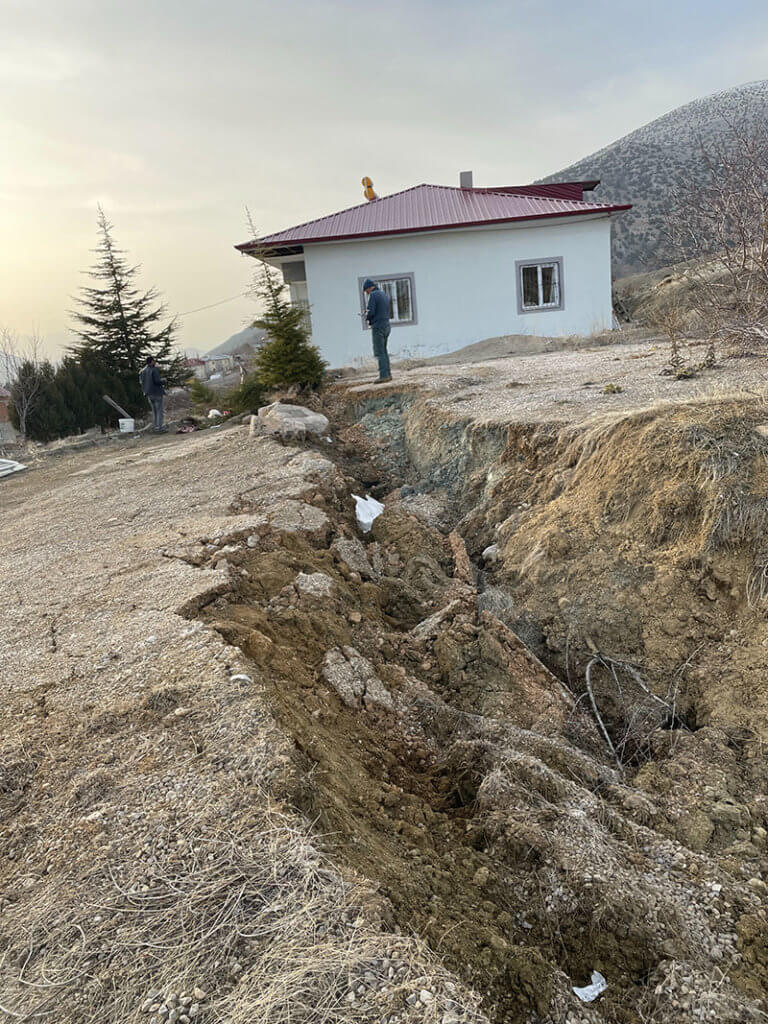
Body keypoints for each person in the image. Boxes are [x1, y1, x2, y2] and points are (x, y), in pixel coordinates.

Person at [362, 278, 392, 383]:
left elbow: (371, 312)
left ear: (370, 288)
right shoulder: (383, 294)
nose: (366, 293)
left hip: (378, 326)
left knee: (379, 352)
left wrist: (367, 316)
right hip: (387, 326)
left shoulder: (373, 295)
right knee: (384, 350)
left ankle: (383, 376)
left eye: (366, 291)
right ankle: (388, 374)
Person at [139, 356, 167, 432]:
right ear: (151, 362)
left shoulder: (142, 371)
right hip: (156, 393)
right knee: (159, 411)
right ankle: (159, 428)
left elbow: (141, 383)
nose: (155, 362)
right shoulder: (154, 370)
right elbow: (157, 381)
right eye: (154, 361)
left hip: (148, 394)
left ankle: (155, 427)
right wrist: (164, 380)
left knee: (154, 411)